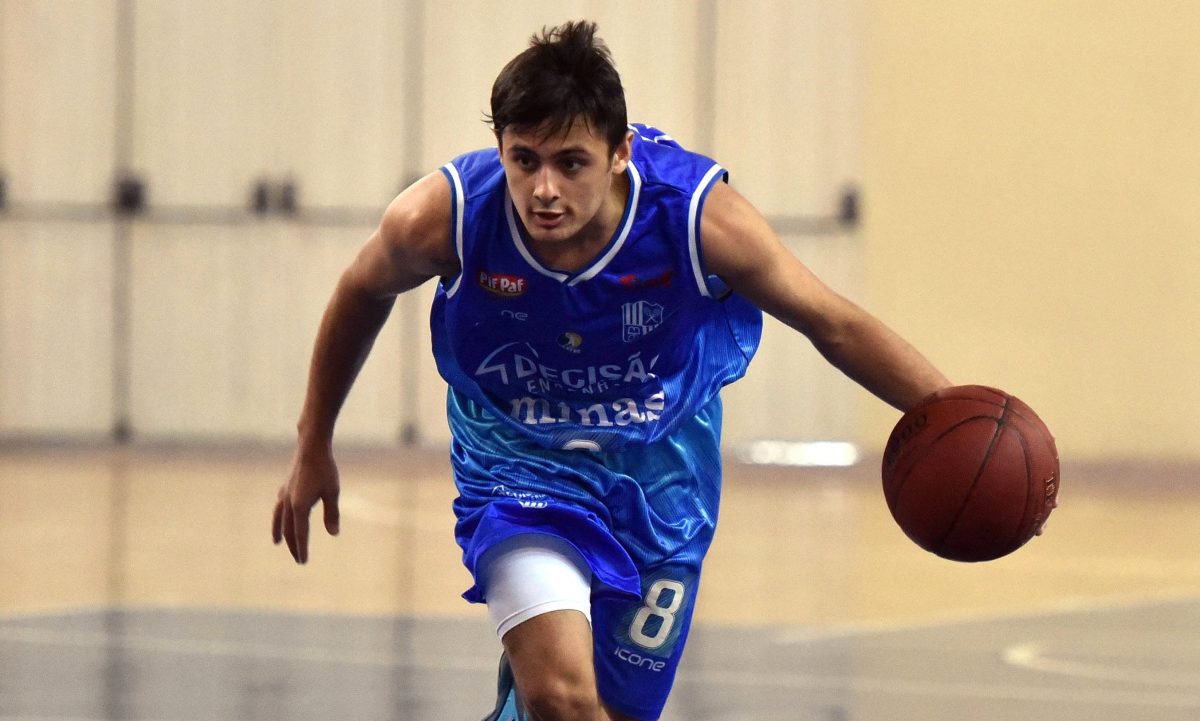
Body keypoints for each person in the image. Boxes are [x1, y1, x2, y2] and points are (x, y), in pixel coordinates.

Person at [272, 20, 950, 721]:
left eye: (571, 163)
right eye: (524, 160)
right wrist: (312, 440)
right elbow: (361, 290)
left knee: (612, 710)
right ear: (500, 148)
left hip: (662, 472)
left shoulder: (697, 220)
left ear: (620, 152)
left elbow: (832, 322)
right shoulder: (445, 217)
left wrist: (958, 411)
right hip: (518, 461)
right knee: (563, 698)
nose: (544, 189)